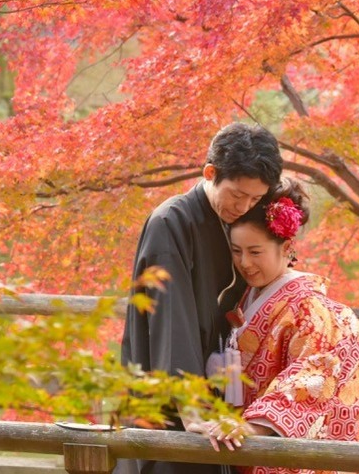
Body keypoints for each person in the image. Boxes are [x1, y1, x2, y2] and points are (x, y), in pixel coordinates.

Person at [118, 122, 283, 474]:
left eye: (256, 199)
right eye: (238, 195)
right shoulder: (171, 222)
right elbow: (170, 320)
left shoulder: (233, 221)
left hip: (214, 389)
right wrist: (191, 412)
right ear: (210, 173)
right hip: (170, 394)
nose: (244, 206)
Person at [190, 179, 359, 474]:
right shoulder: (244, 296)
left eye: (255, 252)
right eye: (236, 251)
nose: (245, 263)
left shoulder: (312, 310)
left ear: (286, 248)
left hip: (269, 440)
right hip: (238, 439)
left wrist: (254, 426)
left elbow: (311, 375)